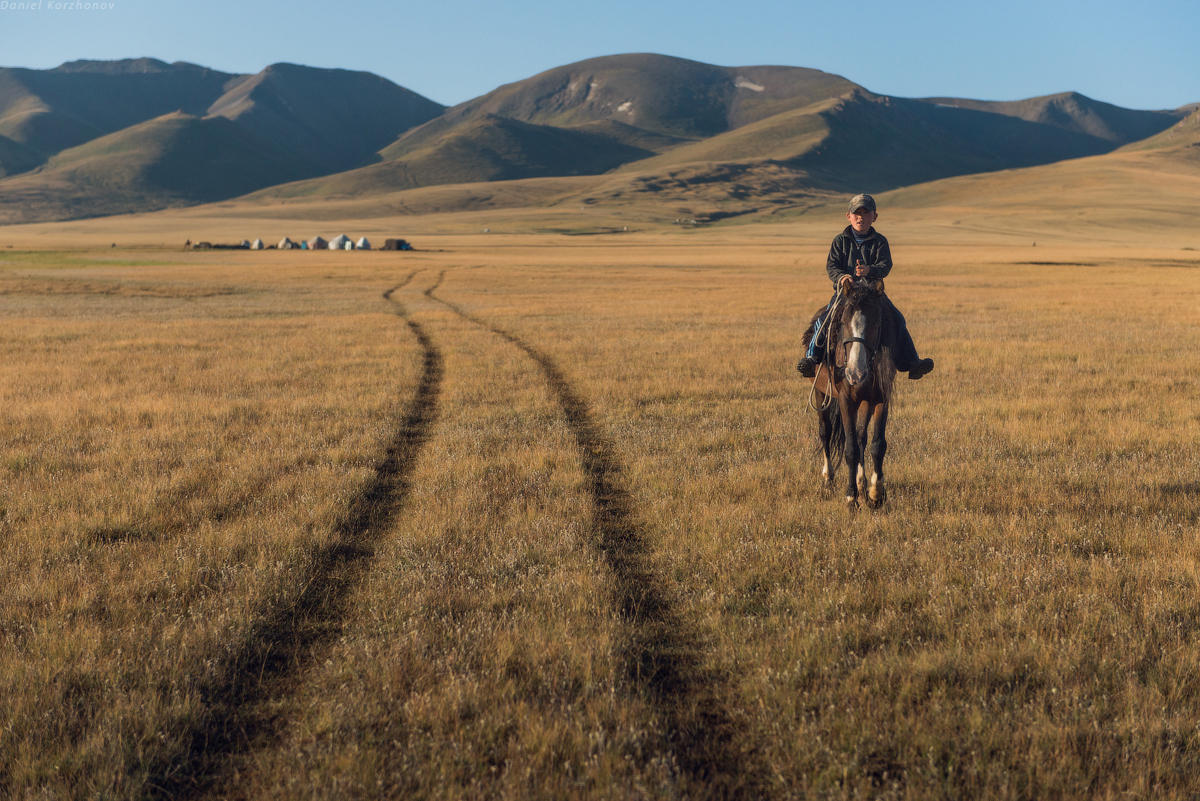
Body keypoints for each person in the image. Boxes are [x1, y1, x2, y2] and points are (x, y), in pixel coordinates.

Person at [796, 193, 934, 379]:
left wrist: (869, 270)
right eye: (856, 213)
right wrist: (842, 277)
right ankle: (811, 358)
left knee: (898, 319)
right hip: (846, 294)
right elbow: (832, 266)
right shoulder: (840, 241)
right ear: (848, 216)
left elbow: (886, 266)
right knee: (824, 319)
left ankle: (912, 362)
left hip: (873, 294)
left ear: (874, 216)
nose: (860, 217)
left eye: (866, 212)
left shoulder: (880, 241)